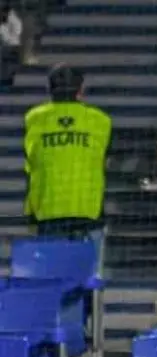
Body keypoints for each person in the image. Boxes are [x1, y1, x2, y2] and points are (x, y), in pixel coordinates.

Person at [23, 63, 111, 240]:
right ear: (81, 90)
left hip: (47, 211)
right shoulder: (100, 120)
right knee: (88, 266)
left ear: (49, 89)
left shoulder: (34, 118)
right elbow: (104, 159)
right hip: (89, 210)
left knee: (52, 267)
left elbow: (30, 162)